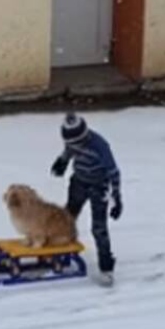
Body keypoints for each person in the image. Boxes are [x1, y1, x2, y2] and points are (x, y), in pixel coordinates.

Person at [50, 113, 123, 287]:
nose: (74, 146)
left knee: (99, 228)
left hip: (99, 187)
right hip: (79, 182)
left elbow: (114, 172)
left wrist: (117, 197)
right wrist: (62, 162)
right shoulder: (72, 141)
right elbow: (69, 150)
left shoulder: (100, 146)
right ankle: (61, 253)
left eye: (77, 143)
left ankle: (106, 268)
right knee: (66, 219)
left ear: (84, 135)